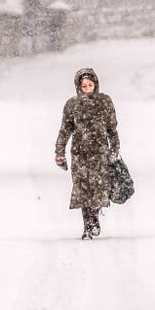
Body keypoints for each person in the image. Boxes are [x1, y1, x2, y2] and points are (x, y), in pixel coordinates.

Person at [54, 67, 120, 240]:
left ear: (96, 85)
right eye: (84, 86)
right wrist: (59, 151)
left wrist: (115, 148)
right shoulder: (72, 104)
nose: (88, 89)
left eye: (91, 85)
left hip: (100, 153)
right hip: (80, 153)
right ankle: (88, 226)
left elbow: (112, 129)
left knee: (98, 189)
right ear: (78, 86)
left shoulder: (104, 102)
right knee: (83, 190)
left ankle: (95, 218)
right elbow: (65, 130)